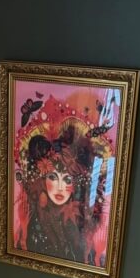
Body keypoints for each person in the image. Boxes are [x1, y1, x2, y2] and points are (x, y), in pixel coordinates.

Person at [14, 95, 110, 267]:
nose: (59, 187)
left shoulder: (83, 219)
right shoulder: (33, 215)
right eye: (52, 177)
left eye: (67, 179)